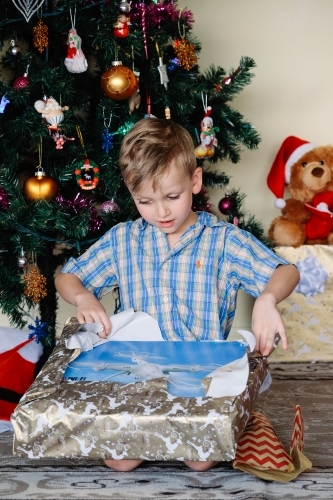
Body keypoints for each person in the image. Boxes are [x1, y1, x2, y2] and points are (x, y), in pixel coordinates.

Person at [55, 117, 300, 472]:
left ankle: (232, 420)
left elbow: (286, 271)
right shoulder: (123, 240)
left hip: (199, 378)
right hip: (135, 377)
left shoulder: (222, 241)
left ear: (195, 181)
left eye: (173, 196)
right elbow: (68, 278)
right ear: (131, 191)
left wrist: (266, 299)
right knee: (119, 462)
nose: (163, 211)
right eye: (146, 201)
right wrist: (83, 297)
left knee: (200, 461)